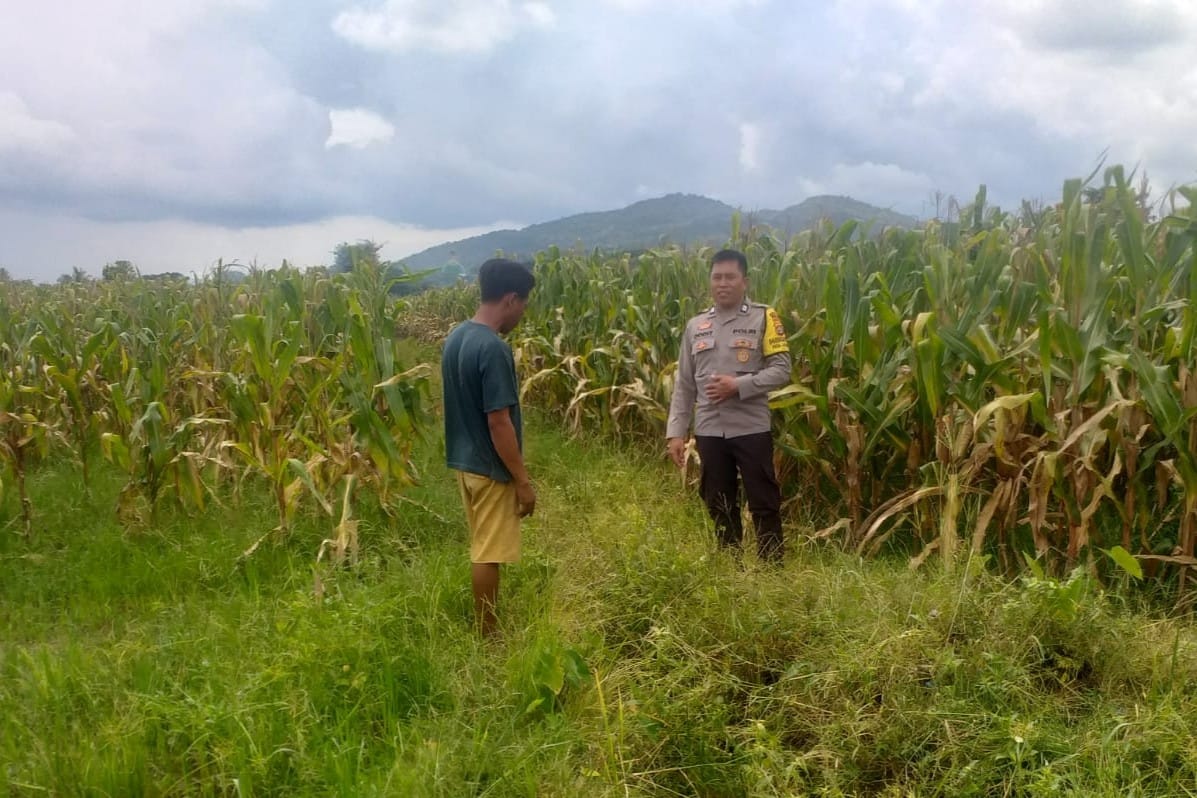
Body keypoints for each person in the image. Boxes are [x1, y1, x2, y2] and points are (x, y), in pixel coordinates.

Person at [666, 248, 792, 563]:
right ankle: (729, 569)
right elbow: (684, 383)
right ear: (710, 281)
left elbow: (782, 369)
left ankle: (772, 571)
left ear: (744, 281)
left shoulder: (764, 317)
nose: (723, 283)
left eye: (730, 277)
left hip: (751, 427)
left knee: (763, 502)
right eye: (717, 277)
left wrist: (739, 386)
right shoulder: (696, 326)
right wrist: (676, 433)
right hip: (710, 429)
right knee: (718, 502)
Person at [442, 257, 536, 636]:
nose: (522, 315)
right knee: (488, 554)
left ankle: (487, 628)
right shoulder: (493, 348)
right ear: (511, 298)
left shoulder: (457, 337)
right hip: (490, 467)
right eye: (524, 305)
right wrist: (523, 480)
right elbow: (498, 422)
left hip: (465, 462)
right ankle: (488, 636)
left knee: (482, 546)